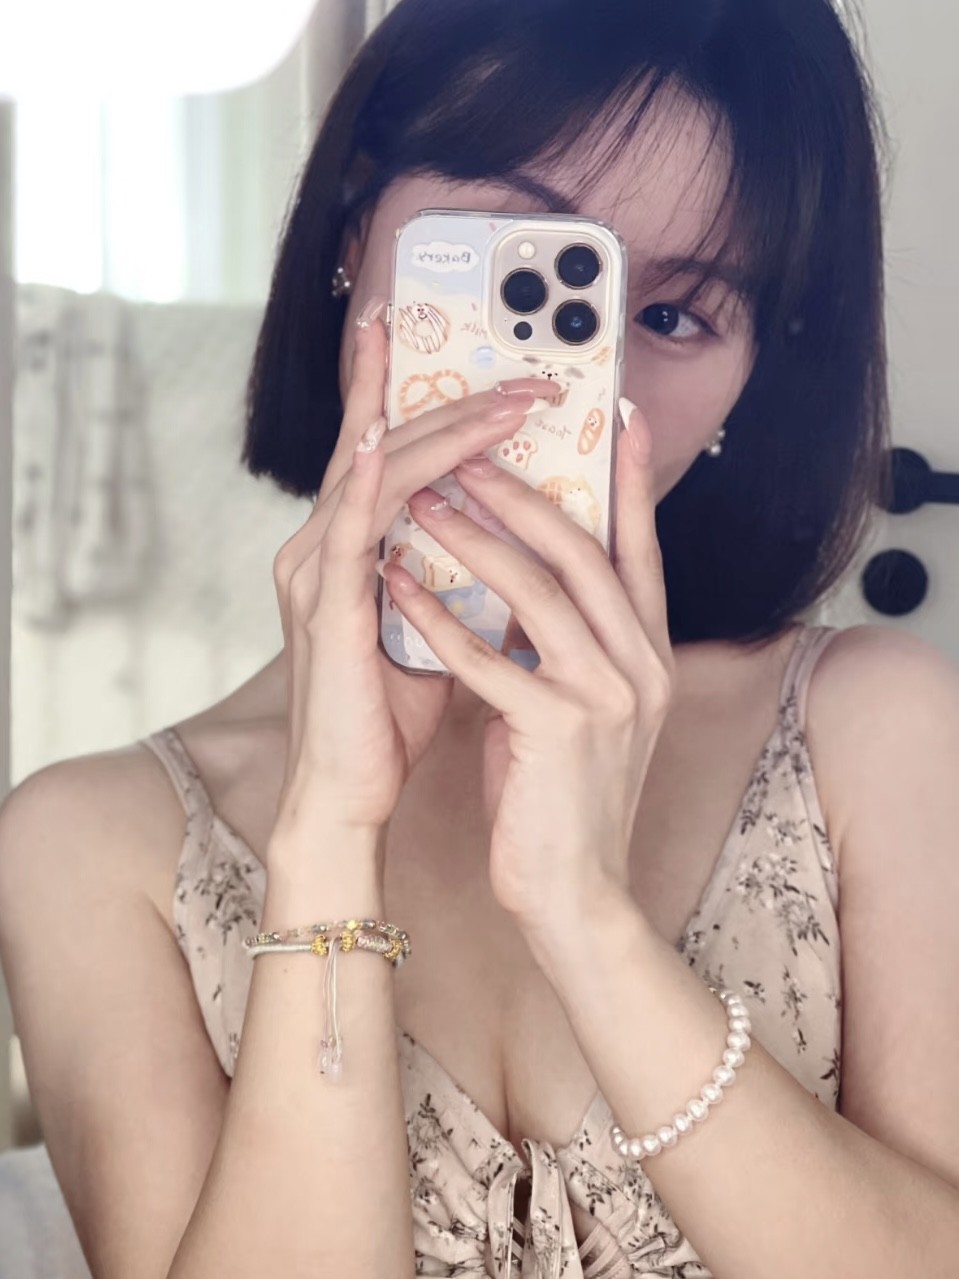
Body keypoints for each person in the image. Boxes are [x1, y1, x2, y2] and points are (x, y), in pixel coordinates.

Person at [2, 0, 959, 1275]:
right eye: (521, 272)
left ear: (750, 383)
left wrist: (588, 920)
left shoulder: (874, 731)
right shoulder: (85, 842)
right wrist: (328, 833)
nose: (572, 380)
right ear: (356, 239)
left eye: (671, 317)